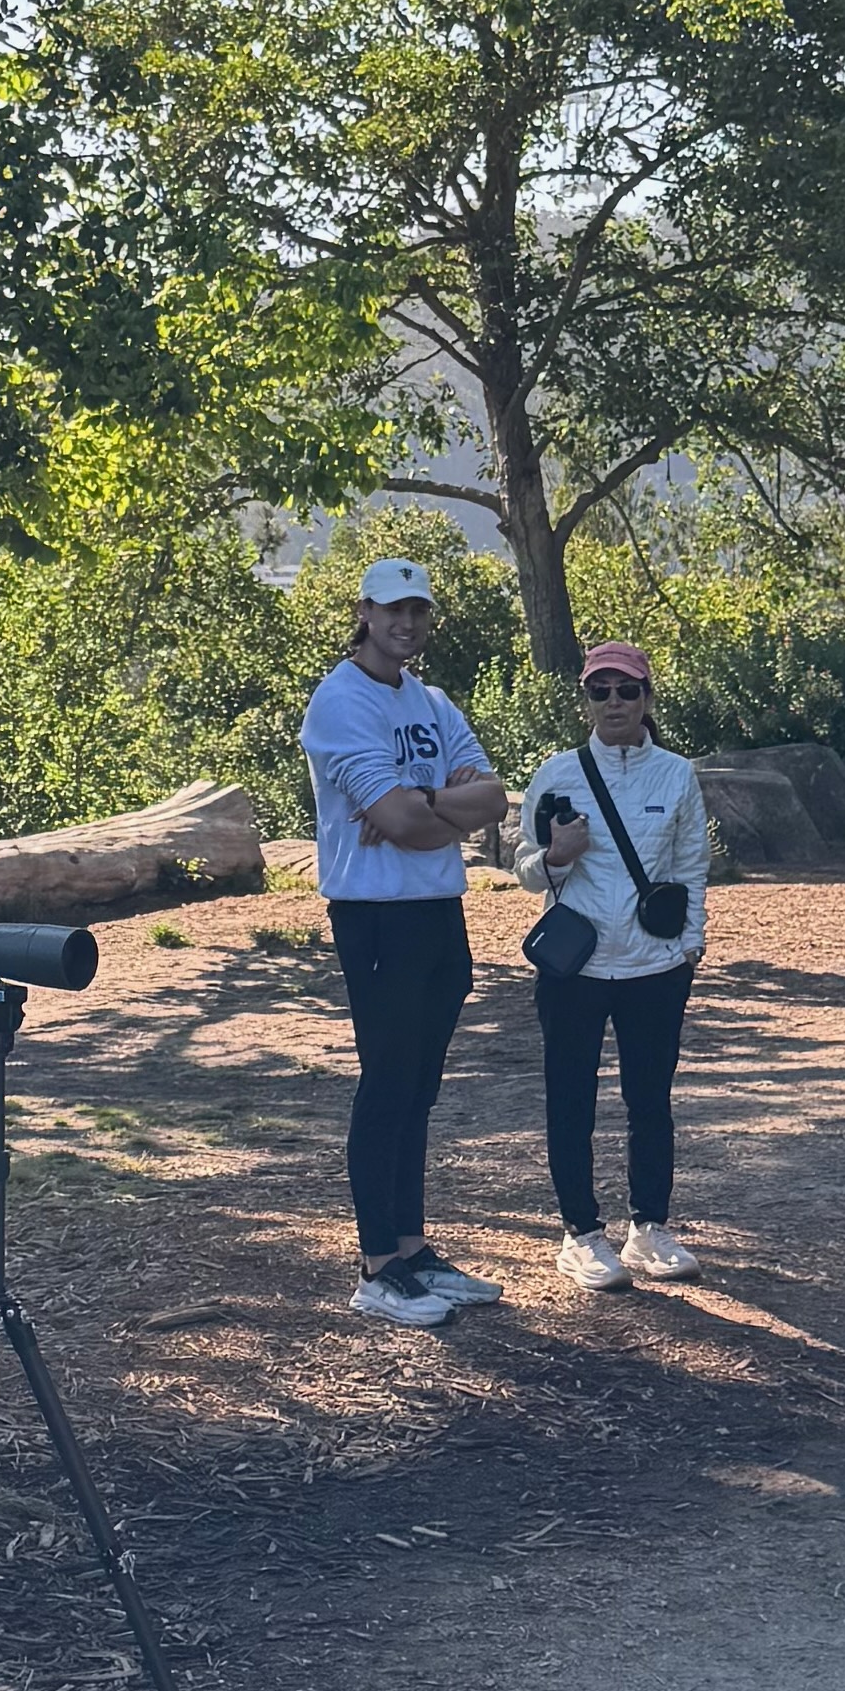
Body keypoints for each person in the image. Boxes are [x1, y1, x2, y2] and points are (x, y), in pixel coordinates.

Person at [297, 556, 512, 1326]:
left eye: (418, 610)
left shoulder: (432, 699)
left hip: (437, 911)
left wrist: (425, 800)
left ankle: (414, 1249)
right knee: (386, 1083)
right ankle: (376, 1266)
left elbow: (492, 795)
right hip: (375, 914)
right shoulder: (339, 702)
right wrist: (435, 808)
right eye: (392, 610)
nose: (406, 624)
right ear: (364, 612)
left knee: (419, 1088)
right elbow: (400, 825)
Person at [511, 639, 710, 1295]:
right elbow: (523, 868)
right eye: (601, 691)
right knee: (571, 1101)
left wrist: (689, 943)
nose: (615, 703)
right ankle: (580, 1234)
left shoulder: (677, 774)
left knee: (650, 1101)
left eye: (627, 690)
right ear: (586, 700)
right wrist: (557, 857)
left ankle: (649, 1228)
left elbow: (690, 865)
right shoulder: (558, 772)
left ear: (647, 698)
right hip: (577, 968)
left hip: (655, 966)